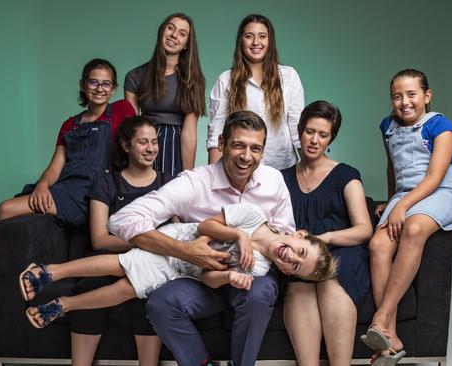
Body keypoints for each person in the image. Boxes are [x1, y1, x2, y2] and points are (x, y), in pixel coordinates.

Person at [0, 58, 135, 347]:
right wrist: (43, 186)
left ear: (114, 88)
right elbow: (56, 166)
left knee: (5, 210)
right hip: (62, 187)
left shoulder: (118, 113)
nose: (99, 88)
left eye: (106, 83)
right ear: (83, 85)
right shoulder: (70, 123)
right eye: (93, 82)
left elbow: (134, 138)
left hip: (88, 195)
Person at [109, 110, 295, 366]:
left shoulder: (274, 181)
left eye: (255, 148)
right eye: (238, 145)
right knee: (161, 303)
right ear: (222, 144)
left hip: (255, 275)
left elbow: (285, 234)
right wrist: (185, 251)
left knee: (259, 292)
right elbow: (121, 220)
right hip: (201, 278)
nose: (246, 156)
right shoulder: (194, 183)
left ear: (263, 152)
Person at [19, 202, 337, 328]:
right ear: (299, 235)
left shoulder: (260, 270)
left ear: (286, 273)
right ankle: (51, 271)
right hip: (180, 241)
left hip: (182, 270)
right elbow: (207, 227)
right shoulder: (254, 216)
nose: (291, 259)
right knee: (123, 263)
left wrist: (229, 276)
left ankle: (64, 305)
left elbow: (209, 280)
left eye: (295, 267)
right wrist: (238, 235)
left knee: (128, 288)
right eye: (299, 252)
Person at [361, 69, 452, 366]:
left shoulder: (441, 127)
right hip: (406, 195)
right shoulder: (388, 127)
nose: (404, 102)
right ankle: (390, 336)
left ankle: (380, 317)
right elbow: (393, 168)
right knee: (379, 245)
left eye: (411, 94)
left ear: (427, 96)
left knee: (415, 228)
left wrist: (403, 207)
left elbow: (434, 177)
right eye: (397, 96)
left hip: (440, 191)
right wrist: (392, 201)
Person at [67, 116, 172, 366]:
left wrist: (155, 247)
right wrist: (146, 242)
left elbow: (177, 231)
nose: (150, 149)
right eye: (142, 142)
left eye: (154, 142)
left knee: (149, 290)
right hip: (110, 259)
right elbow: (100, 240)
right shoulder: (107, 181)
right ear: (126, 146)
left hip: (153, 264)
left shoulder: (168, 183)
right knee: (87, 286)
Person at [280, 101, 373, 366]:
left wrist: (327, 238)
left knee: (332, 278)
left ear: (331, 138)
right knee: (298, 286)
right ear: (300, 131)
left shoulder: (346, 174)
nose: (314, 140)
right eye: (310, 131)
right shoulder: (281, 178)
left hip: (343, 250)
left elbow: (364, 229)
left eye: (323, 134)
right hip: (299, 256)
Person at [206, 14, 305, 170]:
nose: (256, 42)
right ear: (241, 41)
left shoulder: (289, 76)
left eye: (262, 36)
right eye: (249, 36)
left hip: (283, 170)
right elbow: (216, 133)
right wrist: (212, 181)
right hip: (240, 170)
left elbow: (297, 128)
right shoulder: (226, 80)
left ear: (270, 41)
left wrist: (310, 171)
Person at [124, 13, 206, 176]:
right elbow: (130, 126)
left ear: (186, 45)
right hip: (143, 143)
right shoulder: (135, 76)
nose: (174, 35)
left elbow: (190, 131)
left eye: (182, 34)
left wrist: (188, 177)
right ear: (162, 31)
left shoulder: (193, 80)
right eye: (170, 28)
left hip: (175, 147)